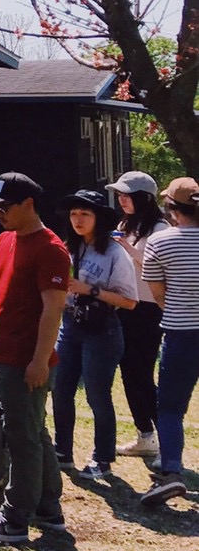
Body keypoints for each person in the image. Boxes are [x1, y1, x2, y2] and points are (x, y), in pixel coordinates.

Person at [0, 173, 69, 546]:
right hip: (4, 353)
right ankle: (49, 507)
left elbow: (53, 310)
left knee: (20, 436)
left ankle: (16, 517)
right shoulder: (4, 240)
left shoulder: (51, 248)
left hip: (26, 359)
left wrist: (39, 360)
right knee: (34, 430)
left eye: (4, 206)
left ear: (28, 204)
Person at [51, 190, 138, 482]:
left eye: (85, 214)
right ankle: (62, 451)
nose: (78, 220)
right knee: (61, 389)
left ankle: (102, 458)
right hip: (70, 325)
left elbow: (129, 301)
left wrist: (92, 291)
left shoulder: (114, 252)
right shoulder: (70, 247)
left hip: (102, 331)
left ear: (98, 218)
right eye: (74, 214)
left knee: (97, 396)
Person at [139, 177, 199, 507]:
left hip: (181, 332)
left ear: (173, 209)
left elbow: (158, 293)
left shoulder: (161, 243)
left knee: (171, 407)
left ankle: (172, 471)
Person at [107, 171, 168, 458]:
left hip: (148, 308)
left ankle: (166, 438)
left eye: (126, 195)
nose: (121, 200)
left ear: (143, 198)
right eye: (118, 195)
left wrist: (125, 246)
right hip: (124, 304)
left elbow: (156, 265)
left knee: (142, 372)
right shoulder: (125, 224)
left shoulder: (160, 227)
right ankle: (145, 434)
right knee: (128, 371)